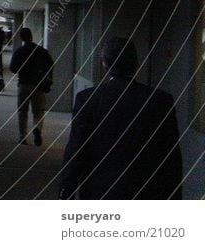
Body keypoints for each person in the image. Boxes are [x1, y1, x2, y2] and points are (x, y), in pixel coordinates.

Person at [59, 37, 183, 199]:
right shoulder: (161, 101)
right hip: (147, 192)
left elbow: (77, 150)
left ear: (104, 64)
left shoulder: (88, 99)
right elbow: (171, 156)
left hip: (100, 191)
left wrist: (66, 192)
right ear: (136, 64)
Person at [9, 28, 53, 146]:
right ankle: (37, 128)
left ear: (21, 38)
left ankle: (22, 137)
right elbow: (50, 65)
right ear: (31, 36)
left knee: (22, 112)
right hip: (38, 85)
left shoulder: (19, 52)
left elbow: (13, 68)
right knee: (38, 111)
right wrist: (48, 80)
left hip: (23, 84)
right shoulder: (41, 51)